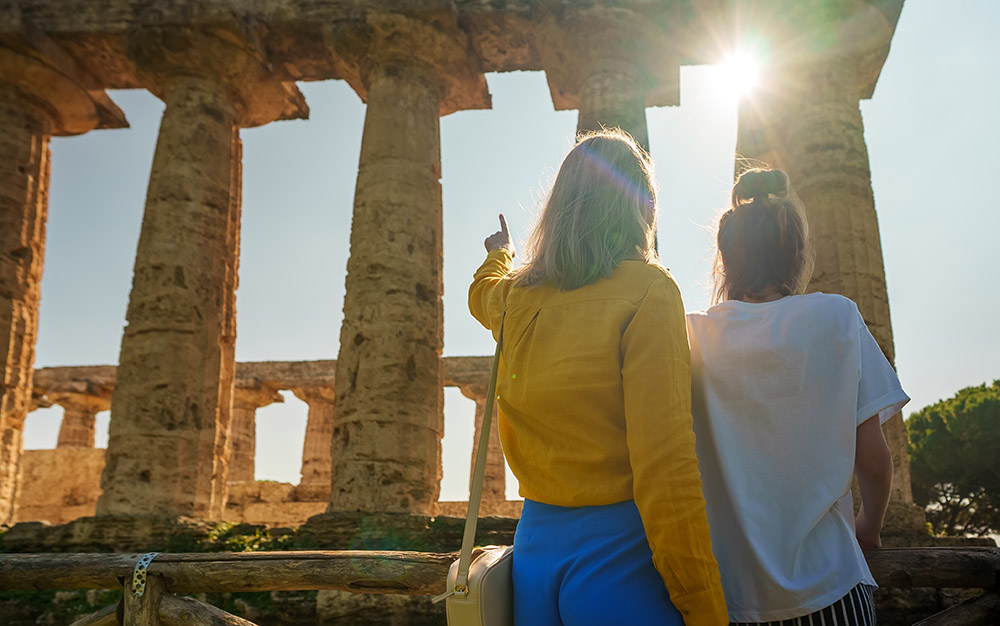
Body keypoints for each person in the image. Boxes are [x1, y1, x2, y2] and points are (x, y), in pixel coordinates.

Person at [468, 129, 727, 626]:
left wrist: (500, 253)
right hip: (618, 560)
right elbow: (665, 463)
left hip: (534, 558)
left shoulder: (518, 298)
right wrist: (704, 605)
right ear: (641, 206)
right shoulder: (649, 290)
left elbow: (482, 293)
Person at [686, 168, 907, 626]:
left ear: (725, 260)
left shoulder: (691, 336)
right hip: (832, 588)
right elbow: (874, 459)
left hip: (726, 599)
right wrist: (870, 527)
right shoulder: (837, 317)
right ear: (796, 255)